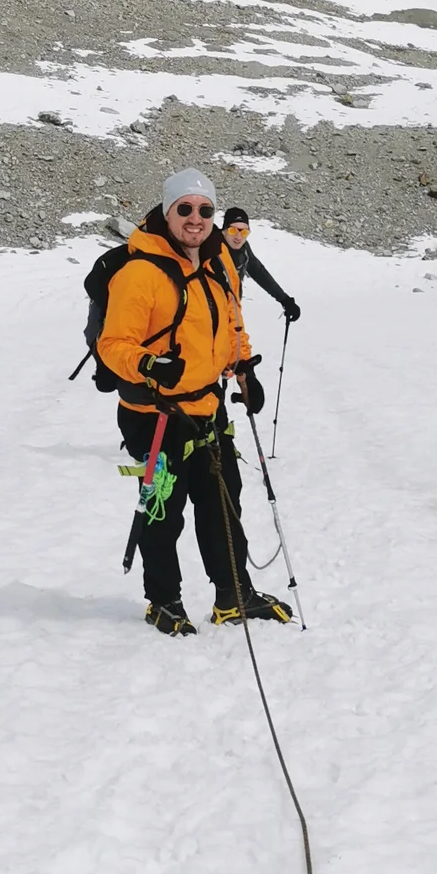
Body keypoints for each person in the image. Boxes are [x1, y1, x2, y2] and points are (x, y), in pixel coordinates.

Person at [98, 167, 292, 637]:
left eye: (205, 210)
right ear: (167, 212)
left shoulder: (219, 262)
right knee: (164, 510)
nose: (196, 218)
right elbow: (114, 343)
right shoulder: (139, 274)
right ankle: (163, 600)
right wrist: (148, 365)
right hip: (156, 416)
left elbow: (233, 325)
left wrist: (244, 369)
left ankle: (234, 594)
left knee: (223, 504)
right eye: (184, 208)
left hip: (208, 407)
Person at [217, 205, 301, 324]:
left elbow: (259, 272)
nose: (238, 237)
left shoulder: (244, 250)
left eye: (244, 232)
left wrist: (284, 300)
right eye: (233, 230)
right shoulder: (211, 250)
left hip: (231, 314)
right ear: (224, 230)